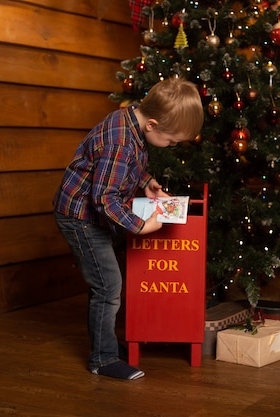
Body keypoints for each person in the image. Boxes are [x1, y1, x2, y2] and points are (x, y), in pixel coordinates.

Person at [53, 77, 204, 380]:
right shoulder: (120, 142)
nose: (172, 146)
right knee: (108, 286)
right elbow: (104, 199)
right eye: (172, 141)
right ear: (152, 124)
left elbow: (128, 165)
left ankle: (105, 343)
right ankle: (103, 358)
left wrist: (146, 182)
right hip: (80, 217)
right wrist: (141, 225)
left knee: (109, 283)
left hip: (90, 213)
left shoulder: (130, 120)